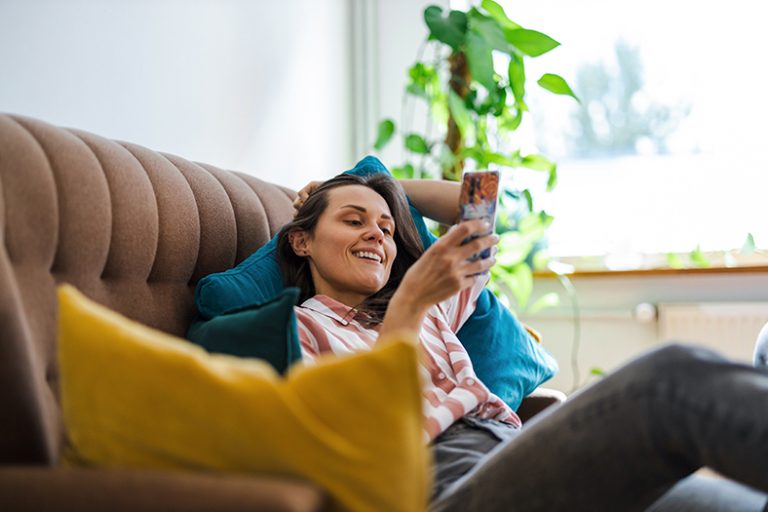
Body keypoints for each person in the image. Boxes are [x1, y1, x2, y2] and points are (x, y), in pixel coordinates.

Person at [277, 172, 768, 511]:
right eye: (353, 220)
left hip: (521, 455)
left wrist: (374, 187)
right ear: (302, 242)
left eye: (386, 229)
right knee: (666, 383)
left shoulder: (429, 308)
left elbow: (481, 198)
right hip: (440, 487)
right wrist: (408, 305)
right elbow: (360, 441)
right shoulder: (300, 330)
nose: (377, 237)